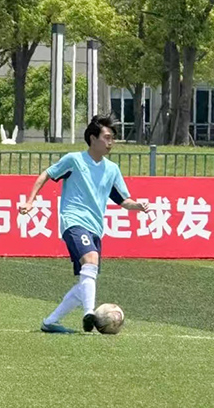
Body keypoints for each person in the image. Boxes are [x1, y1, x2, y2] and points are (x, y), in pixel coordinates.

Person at [19, 115, 148, 333]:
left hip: (95, 228)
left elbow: (123, 200)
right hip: (73, 221)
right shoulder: (74, 160)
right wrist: (30, 201)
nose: (111, 142)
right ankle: (89, 313)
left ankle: (50, 322)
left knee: (87, 279)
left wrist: (138, 205)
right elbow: (47, 175)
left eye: (112, 138)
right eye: (107, 137)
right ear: (93, 138)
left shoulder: (112, 169)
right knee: (91, 259)